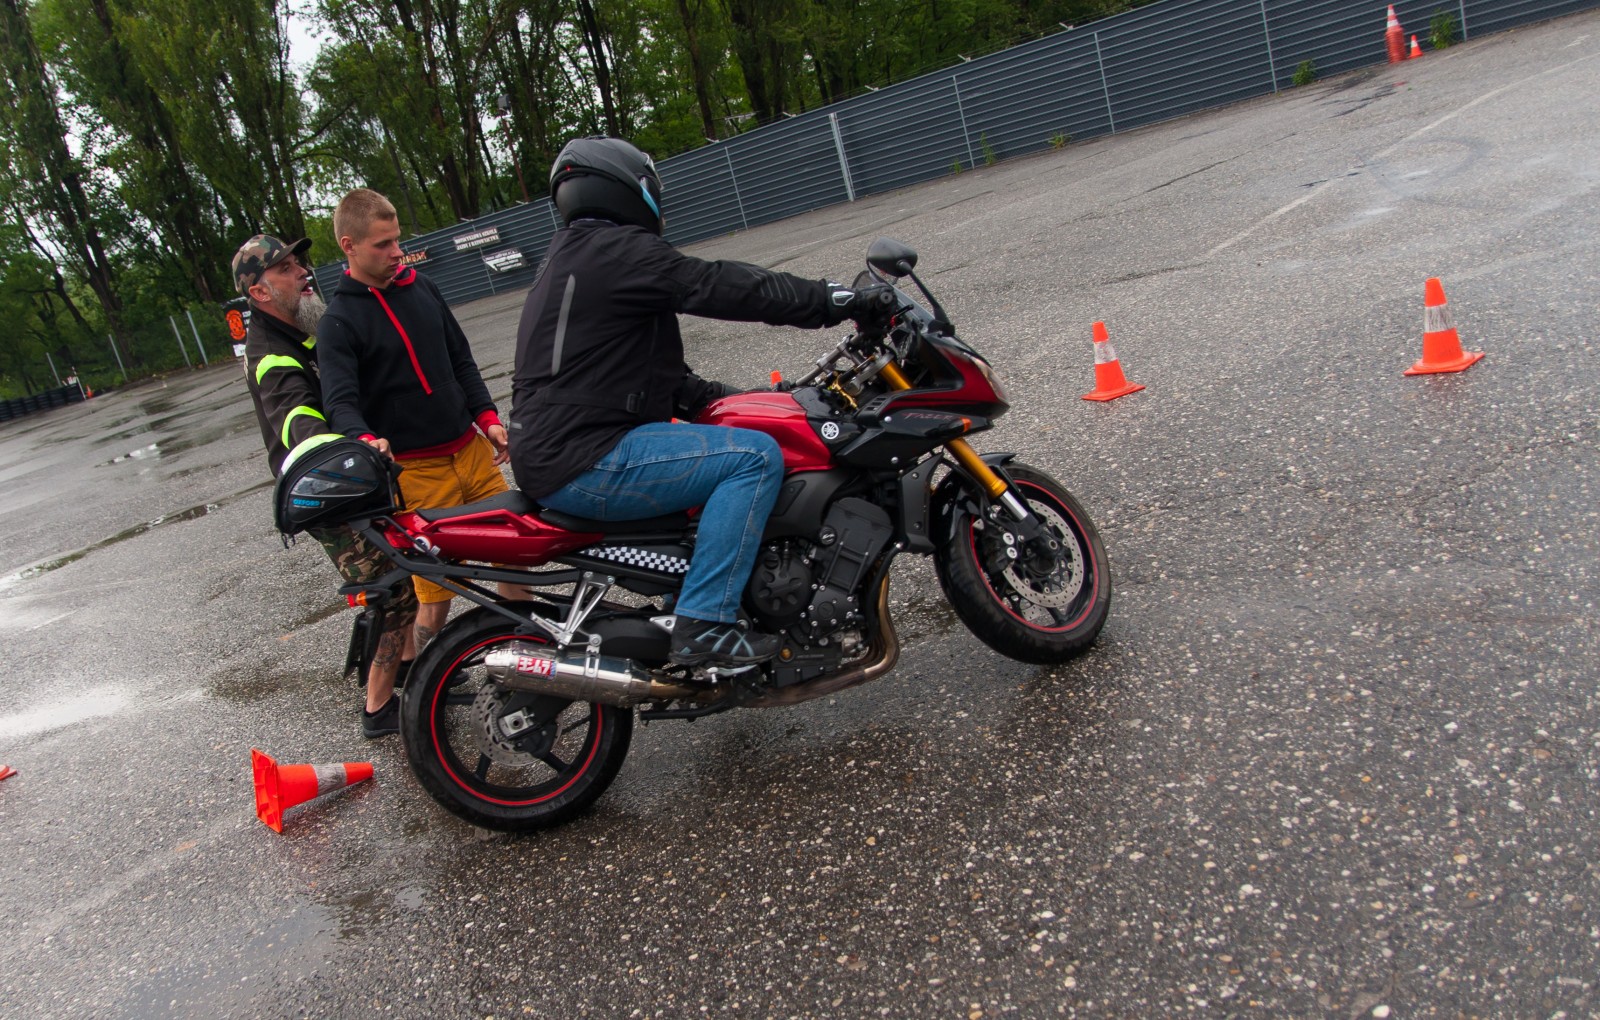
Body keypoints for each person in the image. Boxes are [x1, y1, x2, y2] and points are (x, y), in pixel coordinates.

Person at [510, 136, 891, 669]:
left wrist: (765, 400)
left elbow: (667, 383)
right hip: (584, 455)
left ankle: (699, 598)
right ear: (630, 188)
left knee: (741, 439)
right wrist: (834, 300)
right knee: (753, 458)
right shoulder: (615, 250)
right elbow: (721, 285)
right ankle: (705, 623)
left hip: (565, 446)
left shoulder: (579, 256)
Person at [315, 189, 521, 654]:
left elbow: (461, 361)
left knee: (513, 561)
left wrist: (487, 418)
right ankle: (423, 673)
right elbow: (340, 403)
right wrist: (365, 439)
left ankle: (526, 657)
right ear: (349, 246)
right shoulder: (338, 322)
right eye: (382, 244)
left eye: (397, 240)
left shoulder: (423, 287)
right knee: (437, 591)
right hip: (417, 473)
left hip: (472, 455)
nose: (396, 252)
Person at [234, 233, 418, 738]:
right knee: (392, 593)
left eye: (299, 262)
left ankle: (410, 671)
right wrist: (354, 447)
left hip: (350, 479)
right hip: (326, 491)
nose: (302, 272)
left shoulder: (303, 330)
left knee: (402, 570)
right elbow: (299, 421)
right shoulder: (271, 355)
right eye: (286, 269)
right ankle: (378, 708)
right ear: (260, 292)